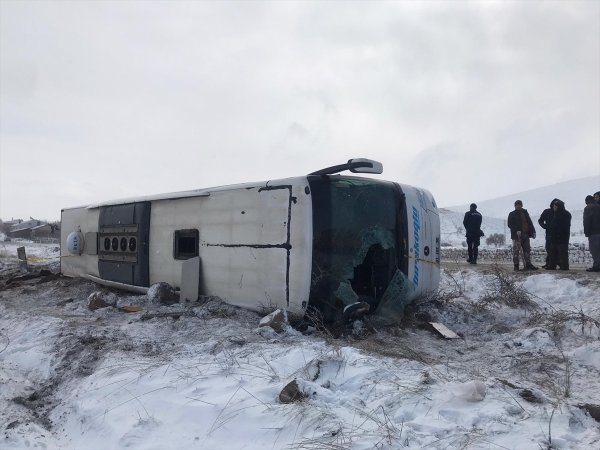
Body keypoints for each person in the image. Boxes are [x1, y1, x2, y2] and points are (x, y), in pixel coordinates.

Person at [507, 200, 538, 271]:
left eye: (519, 205)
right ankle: (516, 266)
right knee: (516, 251)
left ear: (522, 205)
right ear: (515, 206)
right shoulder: (512, 214)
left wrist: (533, 231)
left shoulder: (525, 212)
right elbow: (510, 224)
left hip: (526, 235)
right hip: (516, 236)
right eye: (516, 205)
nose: (518, 206)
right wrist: (516, 230)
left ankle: (528, 264)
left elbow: (529, 222)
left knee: (527, 250)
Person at [545, 200, 571, 270]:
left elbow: (557, 226)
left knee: (561, 252)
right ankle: (554, 265)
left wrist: (550, 228)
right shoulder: (565, 213)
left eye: (555, 206)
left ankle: (562, 266)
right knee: (553, 252)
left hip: (560, 237)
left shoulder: (561, 214)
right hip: (559, 237)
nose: (553, 207)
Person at [538, 198, 559, 269]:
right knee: (548, 248)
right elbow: (540, 220)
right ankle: (549, 263)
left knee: (555, 249)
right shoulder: (547, 211)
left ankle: (552, 263)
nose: (555, 206)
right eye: (555, 204)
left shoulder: (560, 212)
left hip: (558, 234)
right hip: (549, 233)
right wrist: (544, 226)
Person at [583, 195, 600, 272]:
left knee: (594, 250)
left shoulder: (588, 208)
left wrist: (586, 232)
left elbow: (587, 221)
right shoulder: (598, 206)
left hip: (593, 233)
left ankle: (597, 266)